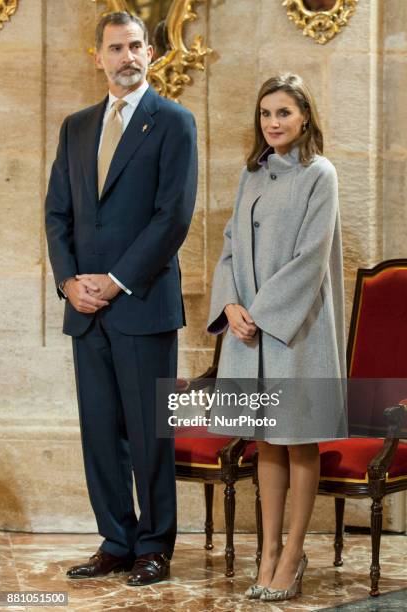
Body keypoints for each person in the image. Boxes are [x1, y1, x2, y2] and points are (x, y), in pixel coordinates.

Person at [45, 11, 197, 586]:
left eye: (136, 46)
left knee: (149, 432)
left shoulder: (174, 121)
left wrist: (117, 280)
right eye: (116, 48)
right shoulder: (75, 126)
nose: (127, 56)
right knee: (100, 432)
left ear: (151, 53)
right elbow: (57, 212)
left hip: (143, 302)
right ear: (98, 56)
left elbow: (173, 216)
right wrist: (69, 281)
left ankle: (155, 546)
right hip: (85, 310)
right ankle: (116, 539)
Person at [207, 73, 346, 602]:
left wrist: (260, 313)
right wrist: (230, 304)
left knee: (297, 438)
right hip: (248, 332)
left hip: (296, 331)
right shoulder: (253, 174)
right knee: (265, 438)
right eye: (266, 114)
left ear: (304, 115)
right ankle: (267, 552)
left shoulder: (320, 174)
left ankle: (292, 554)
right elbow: (228, 247)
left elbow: (311, 258)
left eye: (283, 112)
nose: (273, 123)